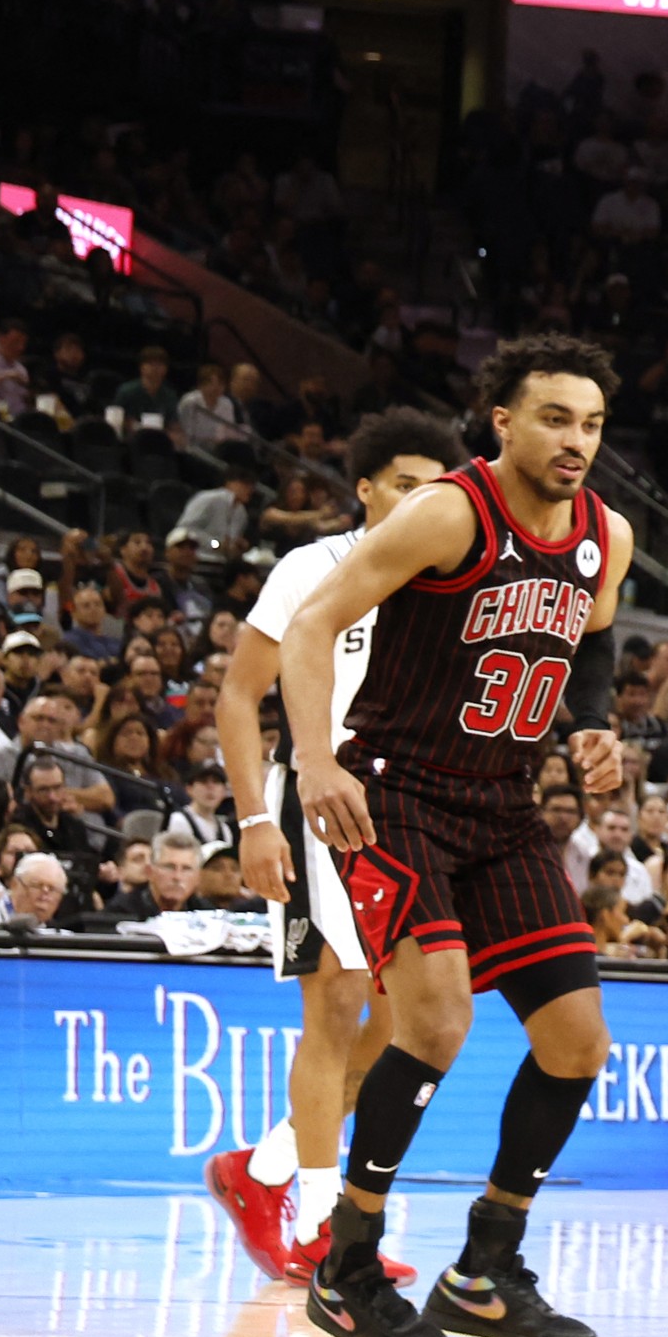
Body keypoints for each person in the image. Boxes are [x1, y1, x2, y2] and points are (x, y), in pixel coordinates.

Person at [280, 337, 632, 1337]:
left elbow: (596, 627)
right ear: (504, 423)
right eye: (557, 419)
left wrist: (593, 719)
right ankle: (347, 1270)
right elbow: (311, 628)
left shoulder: (605, 533)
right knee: (436, 1016)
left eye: (593, 423)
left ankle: (486, 1268)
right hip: (394, 790)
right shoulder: (445, 513)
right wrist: (313, 763)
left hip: (504, 803)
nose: (576, 441)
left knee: (577, 1043)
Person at [199, 409, 470, 1277]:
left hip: (407, 811)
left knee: (399, 1026)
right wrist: (250, 821)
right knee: (336, 1008)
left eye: (433, 487)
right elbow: (240, 697)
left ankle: (262, 1169)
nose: (418, 499)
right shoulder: (309, 568)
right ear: (362, 487)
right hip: (317, 804)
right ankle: (324, 1227)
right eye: (402, 482)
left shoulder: (445, 585)